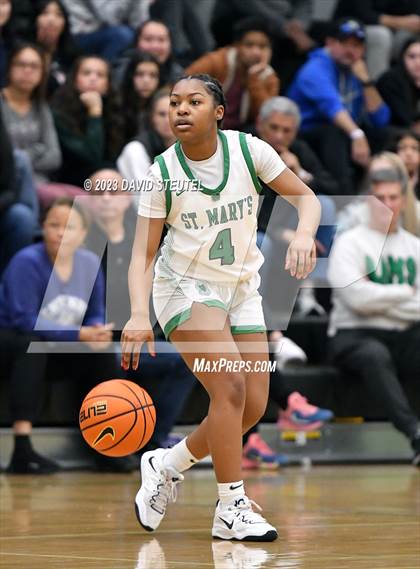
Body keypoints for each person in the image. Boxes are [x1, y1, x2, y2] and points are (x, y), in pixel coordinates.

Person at [121, 73, 321, 541]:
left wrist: (306, 234)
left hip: (240, 287)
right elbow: (142, 256)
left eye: (193, 101)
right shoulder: (161, 174)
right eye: (174, 103)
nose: (181, 110)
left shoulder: (250, 151)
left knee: (250, 407)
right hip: (184, 289)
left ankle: (167, 462)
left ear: (218, 111)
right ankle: (231, 506)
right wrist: (135, 314)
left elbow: (306, 199)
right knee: (229, 386)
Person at [0, 197, 128, 473]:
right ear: (42, 228)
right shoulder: (26, 262)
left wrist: (96, 331)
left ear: (83, 234)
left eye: (69, 227)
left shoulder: (89, 262)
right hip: (12, 343)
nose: (60, 232)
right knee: (31, 345)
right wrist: (80, 334)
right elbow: (25, 321)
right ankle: (22, 449)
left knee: (104, 354)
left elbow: (95, 311)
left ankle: (106, 444)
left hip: (59, 345)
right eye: (53, 225)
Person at [85, 169, 196, 450]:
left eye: (114, 192)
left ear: (127, 199)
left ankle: (153, 444)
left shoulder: (146, 239)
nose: (107, 199)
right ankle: (116, 444)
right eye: (99, 194)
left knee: (190, 359)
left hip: (143, 338)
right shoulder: (81, 240)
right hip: (99, 342)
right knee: (109, 361)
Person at [328, 167, 420, 466]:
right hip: (354, 335)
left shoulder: (414, 246)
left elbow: (369, 298)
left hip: (404, 333)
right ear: (369, 201)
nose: (388, 204)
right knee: (374, 353)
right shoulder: (350, 242)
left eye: (394, 197)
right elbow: (355, 299)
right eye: (380, 197)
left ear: (404, 201)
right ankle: (414, 432)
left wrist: (378, 296)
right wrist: (406, 292)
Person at [287, 18, 390, 195]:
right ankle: (343, 201)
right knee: (337, 132)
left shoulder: (355, 71)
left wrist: (366, 82)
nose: (351, 50)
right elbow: (331, 106)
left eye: (357, 45)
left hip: (342, 134)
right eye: (344, 43)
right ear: (330, 43)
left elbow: (381, 119)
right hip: (305, 136)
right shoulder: (314, 68)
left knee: (386, 134)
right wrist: (357, 134)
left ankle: (383, 193)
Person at [186, 18, 279, 131]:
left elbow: (266, 116)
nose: (256, 52)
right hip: (204, 125)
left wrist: (254, 80)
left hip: (237, 133)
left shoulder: (269, 78)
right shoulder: (216, 61)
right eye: (249, 45)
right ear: (237, 46)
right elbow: (184, 84)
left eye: (262, 47)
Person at [52, 55, 124, 188]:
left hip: (106, 179)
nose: (93, 78)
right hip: (70, 179)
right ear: (74, 80)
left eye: (100, 75)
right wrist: (94, 111)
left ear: (108, 85)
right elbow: (92, 155)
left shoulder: (115, 112)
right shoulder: (59, 114)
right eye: (86, 73)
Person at [1, 42, 62, 183]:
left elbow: (54, 157)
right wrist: (38, 150)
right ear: (9, 68)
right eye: (21, 64)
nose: (27, 71)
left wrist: (20, 160)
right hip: (7, 182)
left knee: (78, 199)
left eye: (34, 66)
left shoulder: (41, 107)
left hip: (40, 182)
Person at [334, 0, 420, 78]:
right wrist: (400, 22)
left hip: (394, 31)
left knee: (408, 35)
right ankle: (379, 86)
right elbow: (364, 14)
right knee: (380, 35)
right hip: (352, 27)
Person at [117, 88, 176, 190]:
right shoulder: (135, 150)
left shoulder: (192, 147)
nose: (168, 120)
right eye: (161, 114)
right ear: (152, 117)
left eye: (174, 114)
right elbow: (144, 198)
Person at [60, 0, 145, 61]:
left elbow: (139, 23)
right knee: (123, 35)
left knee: (143, 36)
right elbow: (107, 17)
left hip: (107, 31)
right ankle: (104, 74)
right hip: (79, 34)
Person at [33, 0, 80, 97]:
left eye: (58, 15)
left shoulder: (71, 54)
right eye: (44, 13)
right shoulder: (24, 52)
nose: (51, 19)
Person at [377, 36, 420, 130]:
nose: (418, 62)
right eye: (412, 57)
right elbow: (405, 119)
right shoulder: (390, 80)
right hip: (391, 134)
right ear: (402, 57)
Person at [120, 51, 161, 142]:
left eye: (153, 75)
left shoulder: (165, 106)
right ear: (131, 76)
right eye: (139, 74)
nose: (146, 81)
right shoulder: (118, 106)